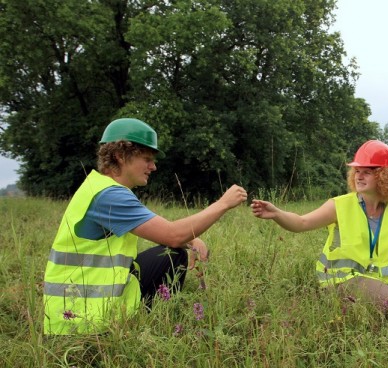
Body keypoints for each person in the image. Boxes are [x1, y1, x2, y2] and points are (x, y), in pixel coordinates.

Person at [43, 118, 247, 335]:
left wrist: (191, 239)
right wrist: (223, 204)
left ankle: (151, 321)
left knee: (170, 253)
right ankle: (157, 329)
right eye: (147, 159)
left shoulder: (102, 188)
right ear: (120, 156)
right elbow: (172, 235)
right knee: (172, 251)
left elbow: (158, 228)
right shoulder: (109, 195)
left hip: (80, 305)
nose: (153, 166)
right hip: (81, 320)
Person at [251, 140, 388, 312]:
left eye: (367, 172)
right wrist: (277, 213)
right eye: (357, 171)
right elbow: (301, 223)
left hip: (376, 277)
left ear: (384, 177)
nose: (359, 176)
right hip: (343, 279)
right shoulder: (339, 205)